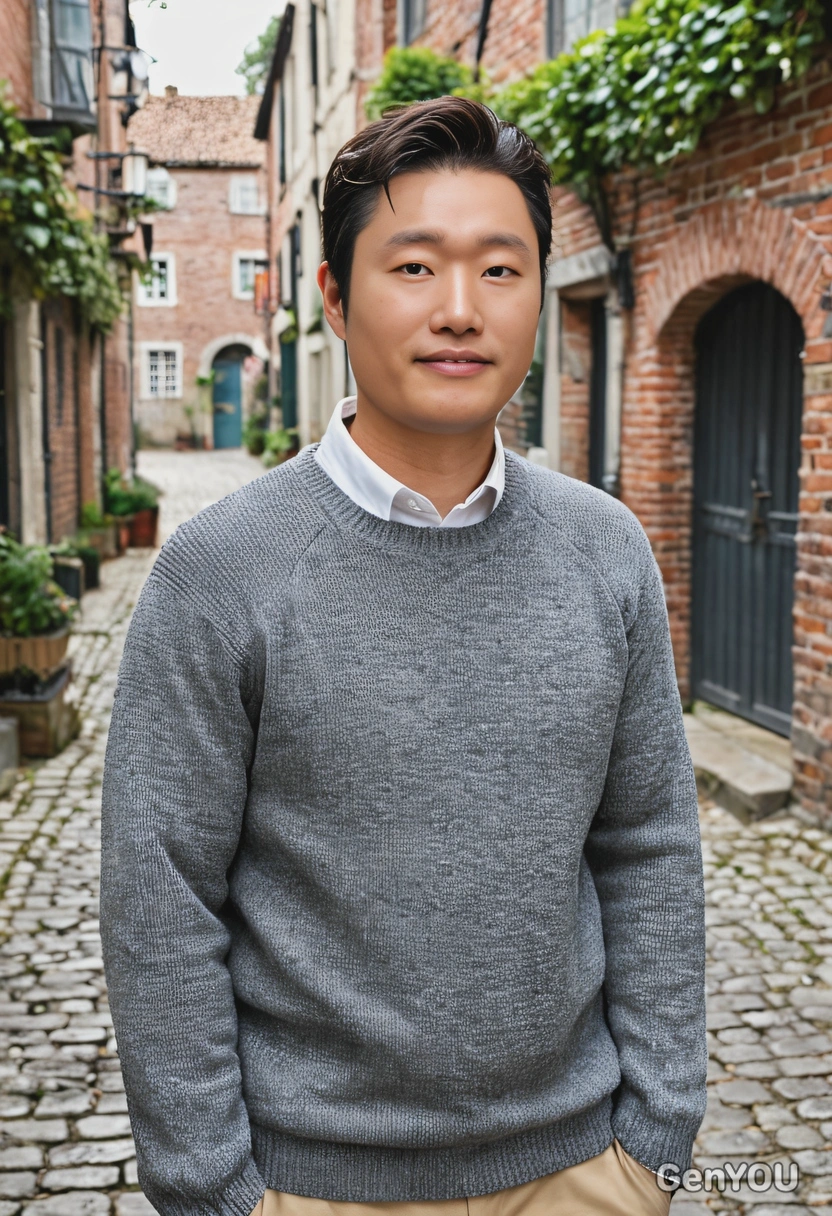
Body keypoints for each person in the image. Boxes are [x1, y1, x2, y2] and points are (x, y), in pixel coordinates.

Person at [99, 96, 707, 1216]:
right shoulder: (220, 572)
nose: (460, 311)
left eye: (500, 269)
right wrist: (212, 1191)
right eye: (414, 267)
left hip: (580, 1172)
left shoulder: (605, 549)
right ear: (333, 295)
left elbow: (649, 843)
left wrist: (655, 1138)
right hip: (311, 1184)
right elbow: (161, 896)